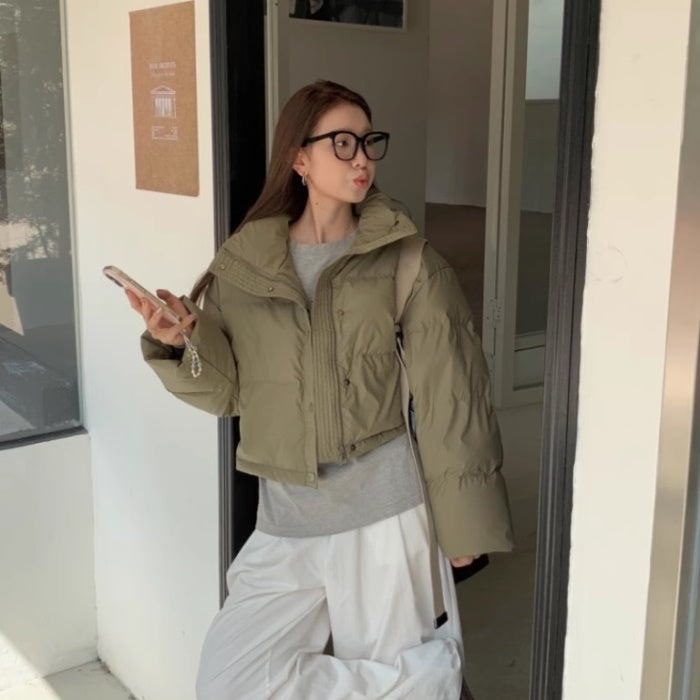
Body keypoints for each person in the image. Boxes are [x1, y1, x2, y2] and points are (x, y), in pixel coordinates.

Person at [126, 79, 514, 700]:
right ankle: (433, 681)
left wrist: (464, 526)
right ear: (298, 159)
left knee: (382, 660)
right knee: (230, 682)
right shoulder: (245, 266)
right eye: (342, 143)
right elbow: (230, 394)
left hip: (385, 515)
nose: (362, 158)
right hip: (287, 518)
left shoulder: (406, 260)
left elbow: (452, 399)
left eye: (368, 141)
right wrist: (182, 343)